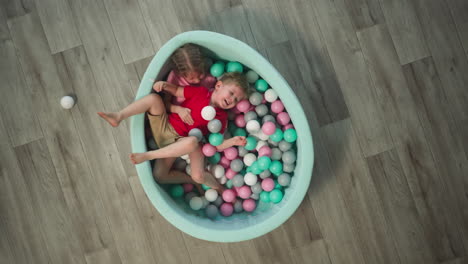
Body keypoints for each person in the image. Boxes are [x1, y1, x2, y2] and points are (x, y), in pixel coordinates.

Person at [98, 72, 249, 191]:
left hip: (177, 144)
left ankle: (151, 156)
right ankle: (119, 116)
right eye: (231, 93)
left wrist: (233, 141)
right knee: (153, 99)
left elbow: (216, 144)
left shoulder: (221, 118)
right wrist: (165, 85)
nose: (232, 100)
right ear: (218, 86)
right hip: (164, 125)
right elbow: (177, 90)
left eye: (236, 100)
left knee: (161, 175)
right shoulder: (201, 92)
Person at [164, 43, 217, 126]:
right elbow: (165, 103)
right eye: (191, 78)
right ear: (180, 73)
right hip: (178, 120)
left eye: (200, 74)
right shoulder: (174, 78)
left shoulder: (209, 79)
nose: (197, 80)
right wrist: (178, 110)